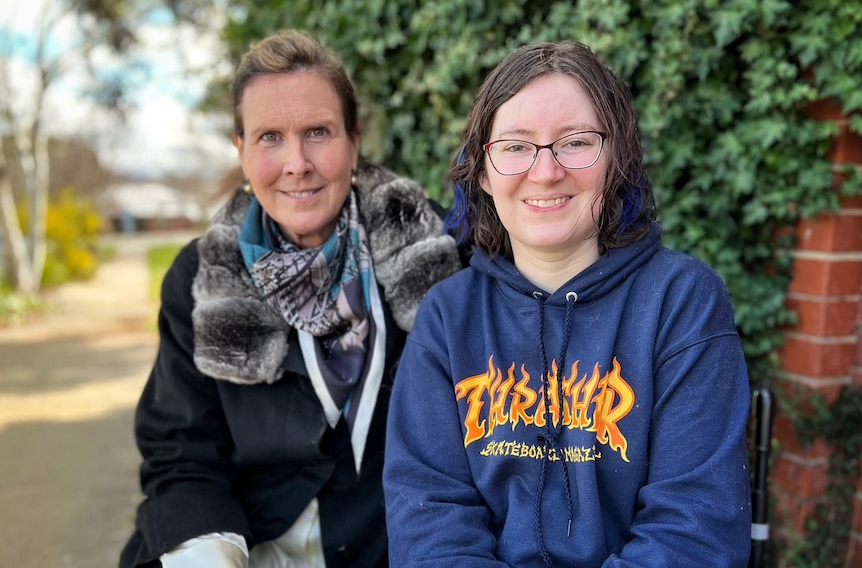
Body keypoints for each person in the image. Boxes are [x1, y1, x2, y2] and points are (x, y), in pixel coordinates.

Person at [383, 40, 751, 567]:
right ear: (483, 172)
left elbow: (695, 530)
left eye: (576, 142)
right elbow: (429, 522)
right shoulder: (448, 317)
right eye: (514, 146)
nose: (546, 170)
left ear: (615, 157)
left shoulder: (681, 301)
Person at [119, 30, 462, 568]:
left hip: (396, 547)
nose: (296, 162)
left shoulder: (433, 251)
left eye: (318, 132)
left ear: (354, 140)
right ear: (242, 150)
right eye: (270, 137)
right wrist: (210, 555)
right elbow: (182, 455)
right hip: (252, 547)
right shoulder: (200, 276)